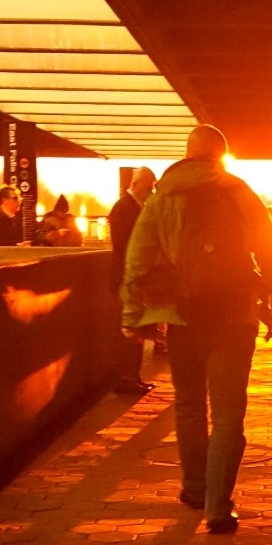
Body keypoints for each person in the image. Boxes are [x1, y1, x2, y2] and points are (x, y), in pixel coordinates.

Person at [122, 125, 272, 533]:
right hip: (235, 318)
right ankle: (218, 507)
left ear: (188, 153)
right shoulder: (240, 192)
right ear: (221, 156)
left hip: (184, 318)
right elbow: (271, 254)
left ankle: (195, 488)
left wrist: (132, 317)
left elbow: (137, 259)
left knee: (189, 405)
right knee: (229, 414)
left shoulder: (163, 196)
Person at [108, 168, 158, 395]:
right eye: (149, 187)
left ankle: (132, 377)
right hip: (126, 279)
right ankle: (127, 378)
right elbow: (125, 246)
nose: (151, 192)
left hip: (130, 278)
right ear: (136, 184)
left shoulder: (131, 207)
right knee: (130, 330)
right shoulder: (124, 209)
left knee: (135, 328)